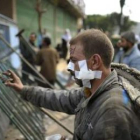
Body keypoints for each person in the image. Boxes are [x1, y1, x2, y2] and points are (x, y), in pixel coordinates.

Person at [4, 29, 140, 140]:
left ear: (95, 62)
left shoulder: (113, 109)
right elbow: (60, 98)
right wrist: (24, 90)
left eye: (74, 60)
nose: (69, 67)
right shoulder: (92, 89)